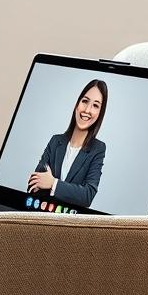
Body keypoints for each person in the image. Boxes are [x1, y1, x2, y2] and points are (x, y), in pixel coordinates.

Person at [28, 80, 108, 208]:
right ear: (77, 105)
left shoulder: (98, 149)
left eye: (95, 106)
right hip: (41, 216)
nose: (87, 110)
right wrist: (72, 192)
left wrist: (53, 183)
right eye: (85, 101)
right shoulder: (55, 141)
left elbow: (87, 196)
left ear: (99, 114)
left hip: (70, 223)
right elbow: (33, 185)